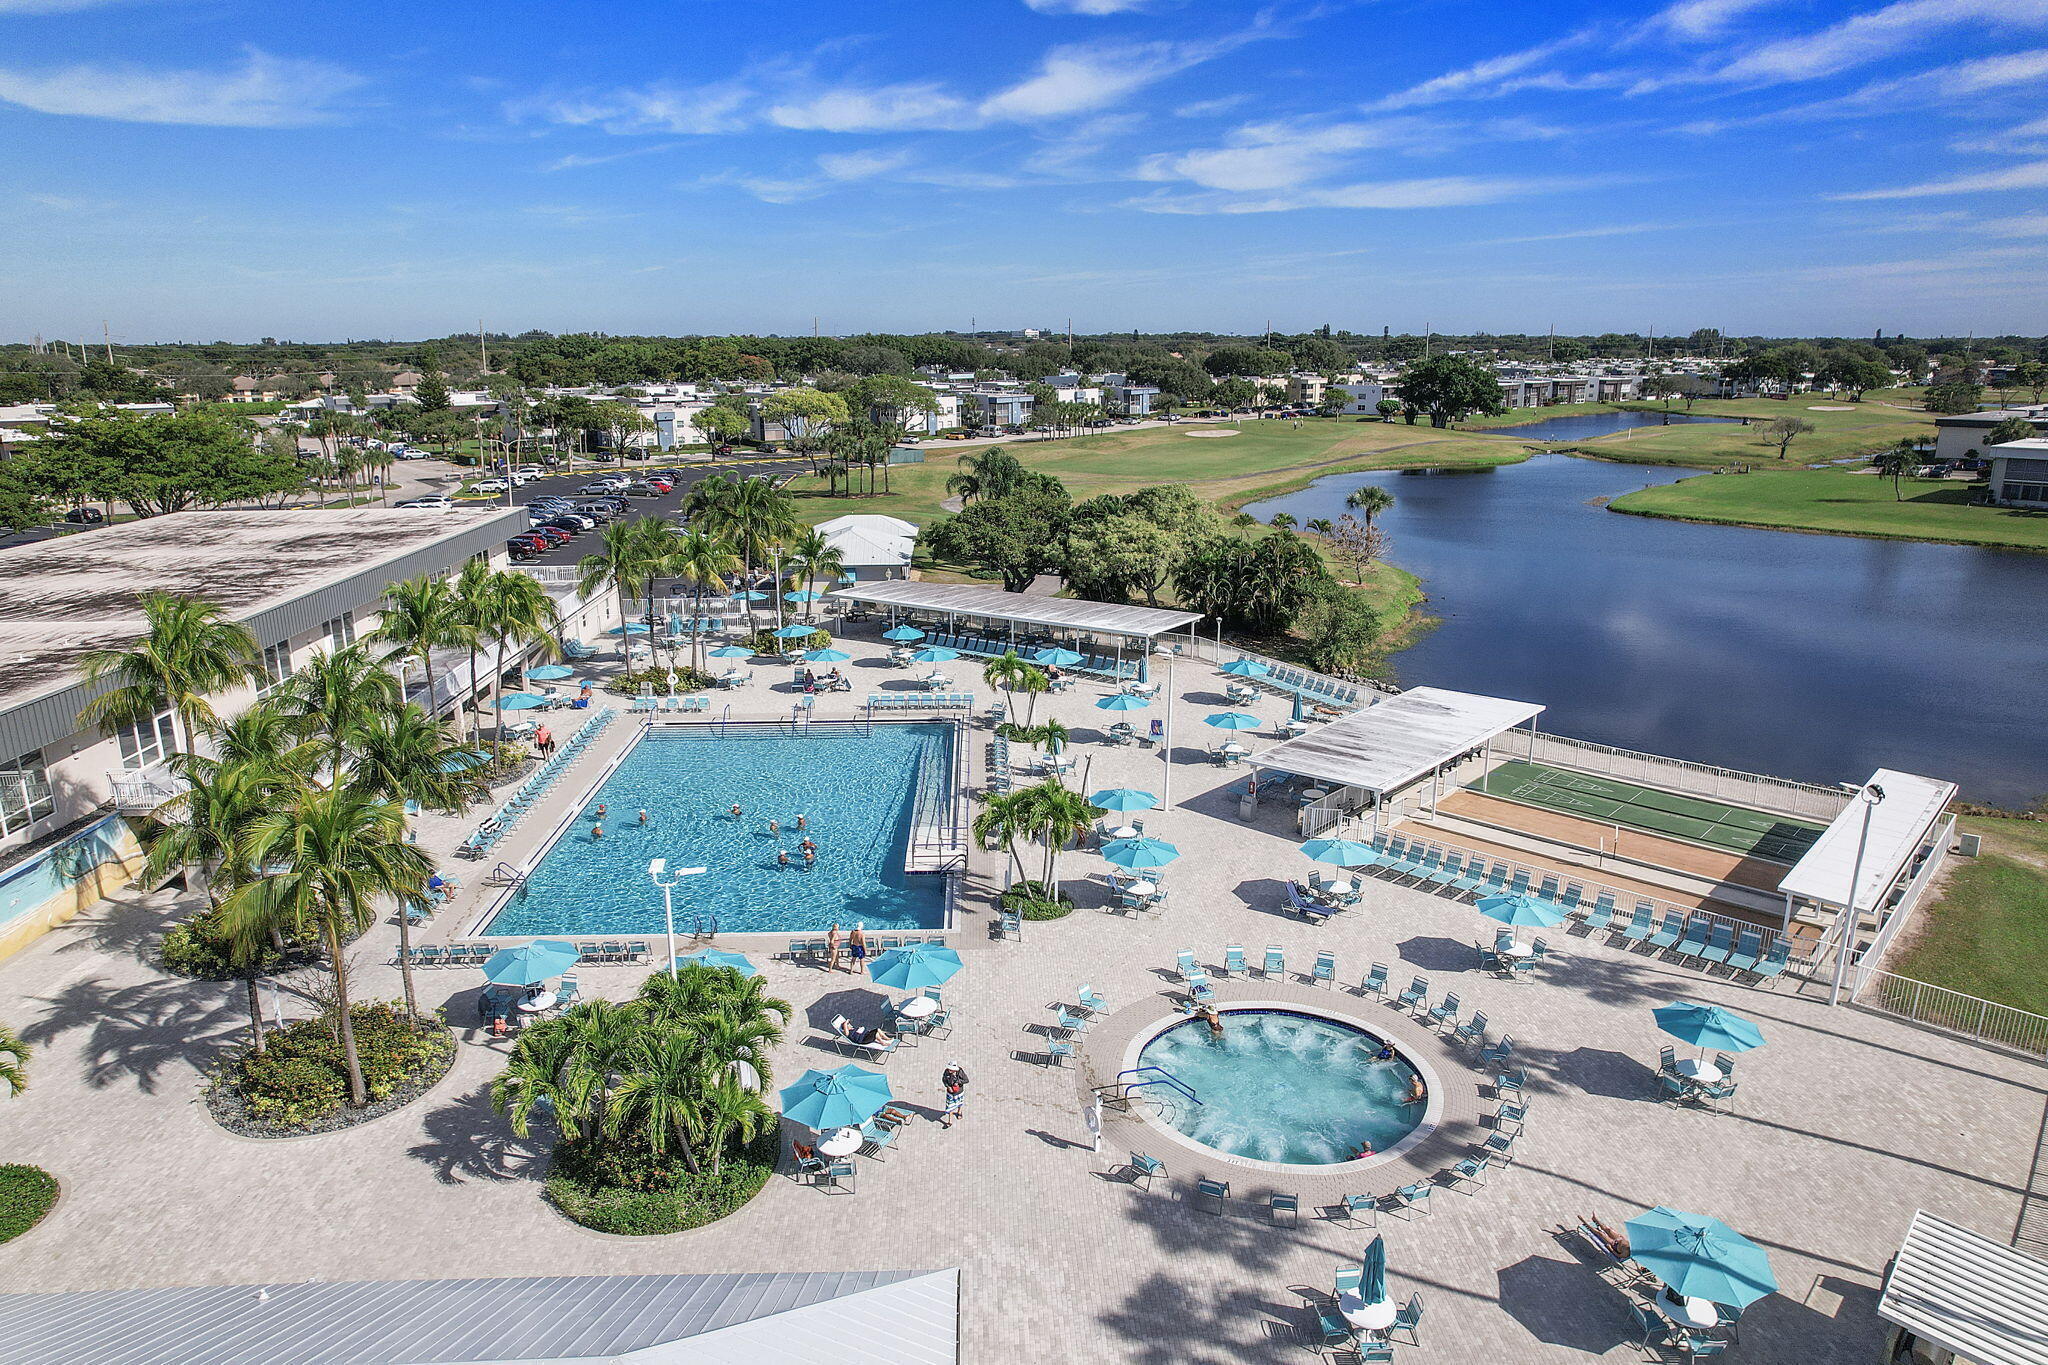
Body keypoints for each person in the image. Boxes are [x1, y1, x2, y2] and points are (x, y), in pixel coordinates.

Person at [940, 1063, 970, 1127]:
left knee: (959, 1103)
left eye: (951, 1069)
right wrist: (948, 1086)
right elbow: (944, 1080)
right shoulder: (946, 1072)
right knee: (950, 1106)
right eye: (949, 1069)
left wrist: (958, 1082)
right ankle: (950, 1121)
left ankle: (959, 1112)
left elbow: (966, 1080)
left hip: (959, 1092)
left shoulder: (960, 1072)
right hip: (950, 1093)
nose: (949, 1071)